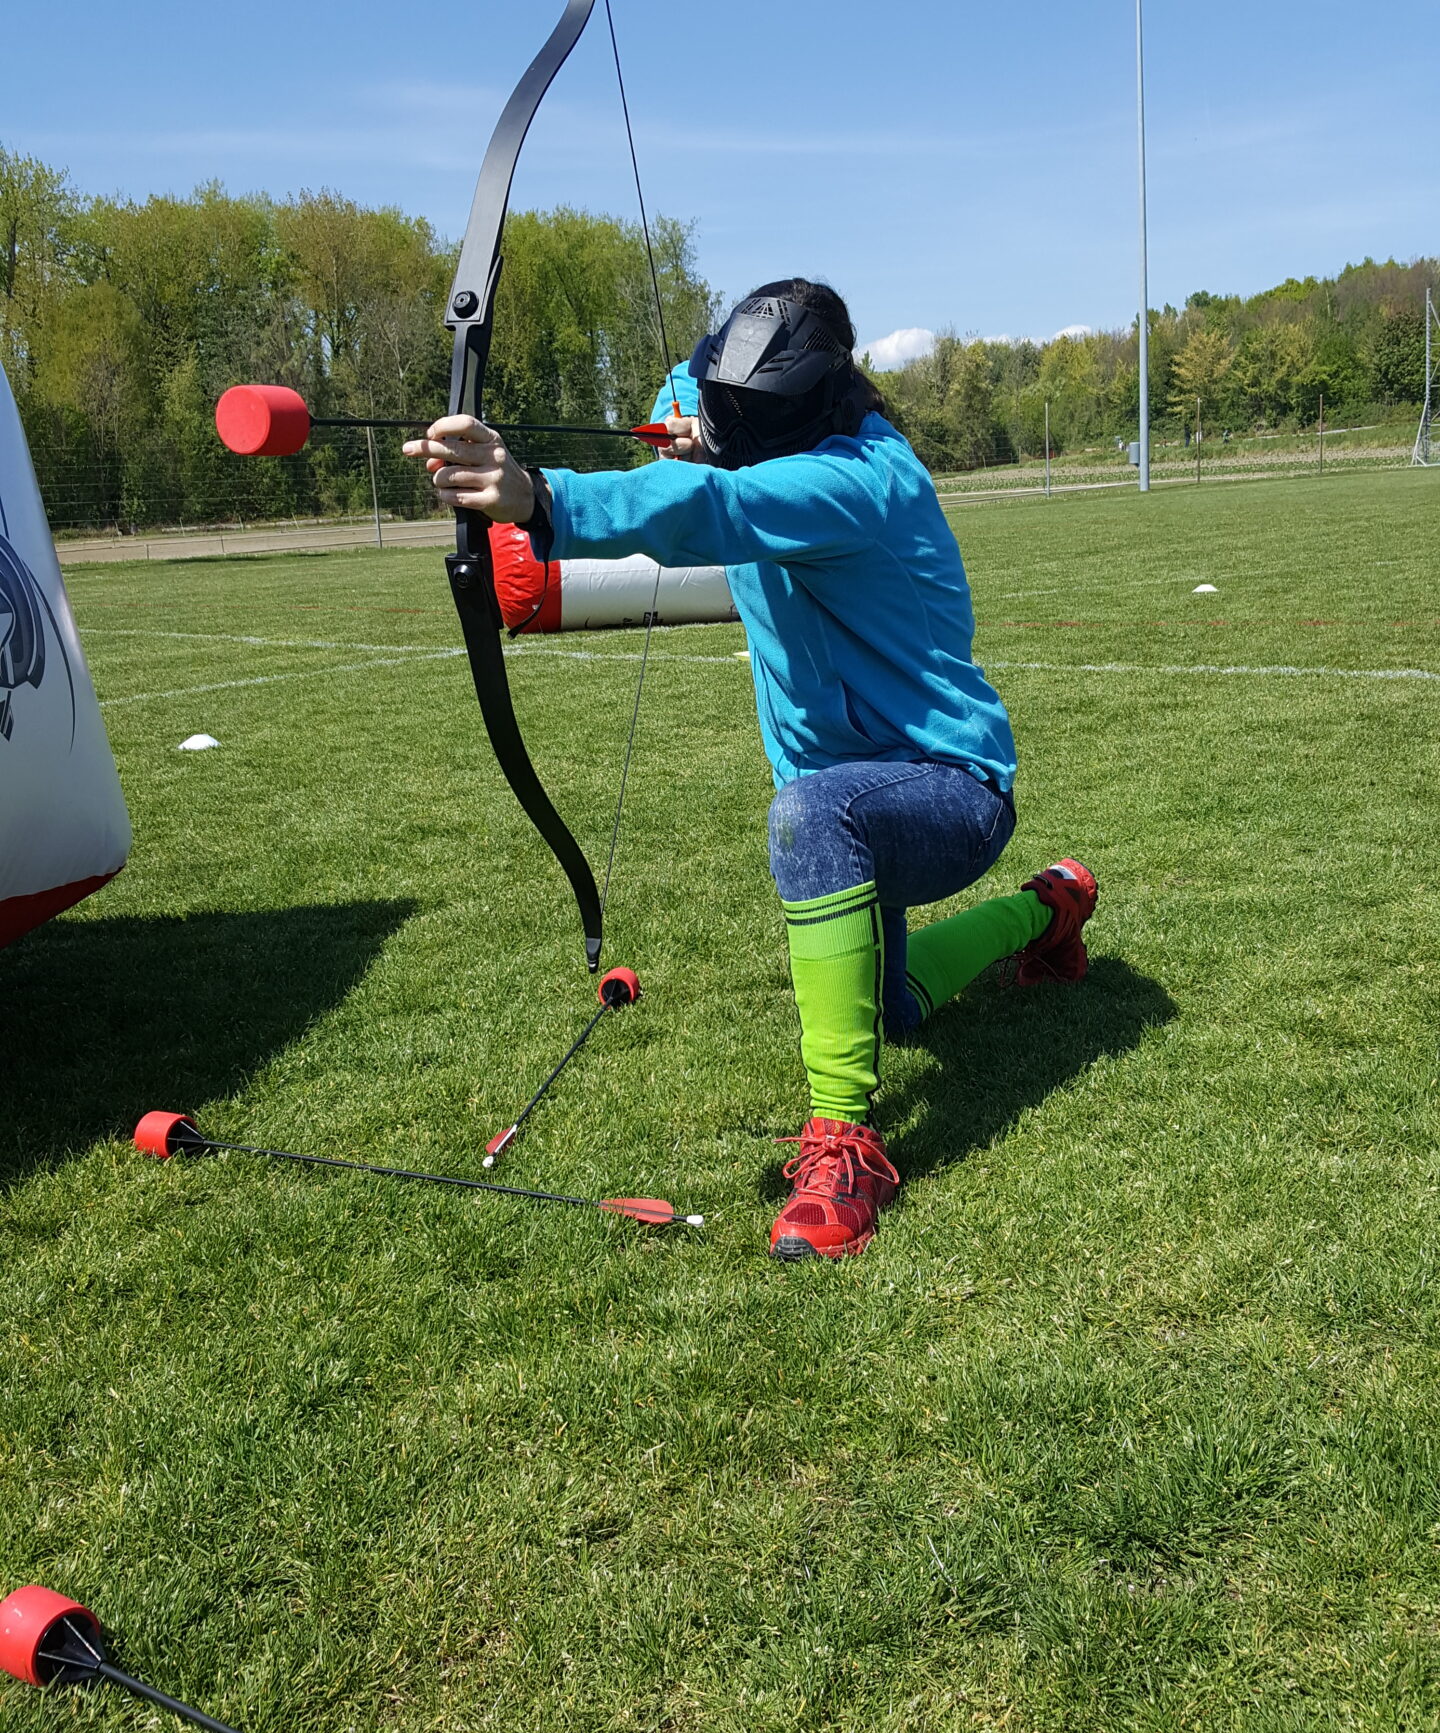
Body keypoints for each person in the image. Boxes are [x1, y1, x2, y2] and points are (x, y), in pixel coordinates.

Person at [406, 281, 1096, 1263]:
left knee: (809, 816)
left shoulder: (861, 481)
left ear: (804, 406)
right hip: (861, 796)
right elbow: (693, 393)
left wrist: (536, 495)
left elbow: (713, 504)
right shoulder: (753, 398)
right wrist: (694, 421)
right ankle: (1054, 905)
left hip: (947, 790)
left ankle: (846, 1146)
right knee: (892, 1007)